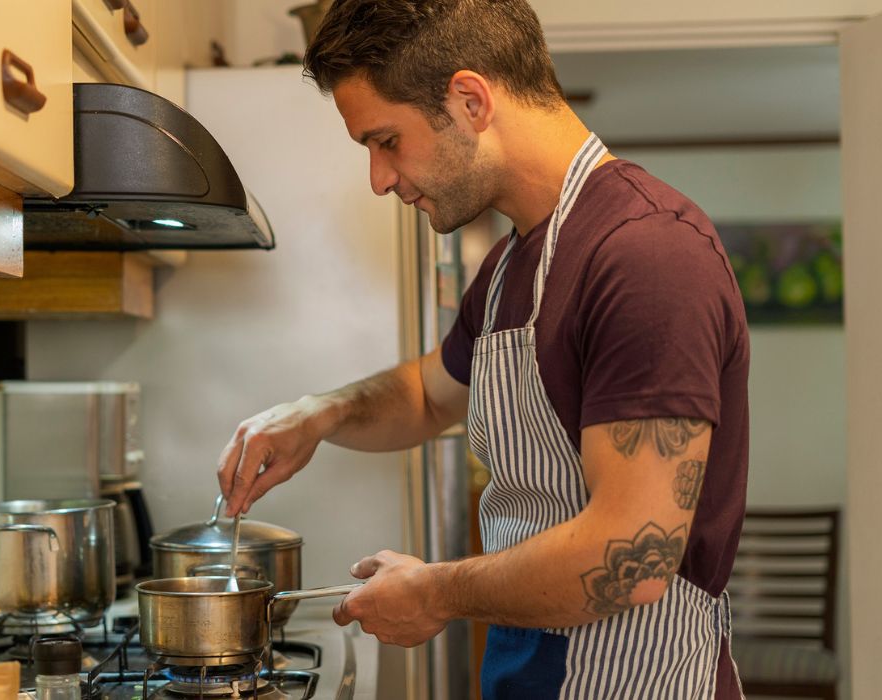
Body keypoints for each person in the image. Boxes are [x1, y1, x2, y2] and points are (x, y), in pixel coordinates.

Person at [216, 0, 749, 697]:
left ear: (469, 100)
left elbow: (633, 552)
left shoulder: (646, 255)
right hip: (529, 667)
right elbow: (428, 395)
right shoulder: (508, 266)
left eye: (386, 141)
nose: (379, 179)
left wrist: (436, 592)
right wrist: (318, 414)